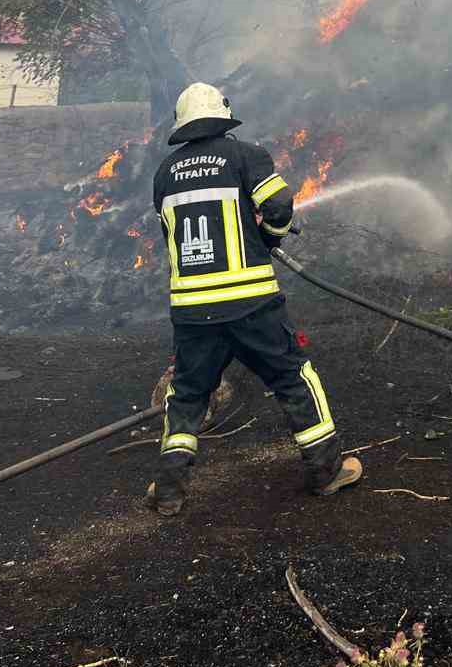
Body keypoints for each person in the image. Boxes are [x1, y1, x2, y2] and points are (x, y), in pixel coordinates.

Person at [145, 82, 362, 517]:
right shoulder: (245, 155)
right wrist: (268, 236)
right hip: (249, 302)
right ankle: (326, 471)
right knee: (293, 377)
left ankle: (169, 489)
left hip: (191, 309)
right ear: (223, 117)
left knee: (186, 395)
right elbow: (278, 203)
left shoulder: (165, 172)